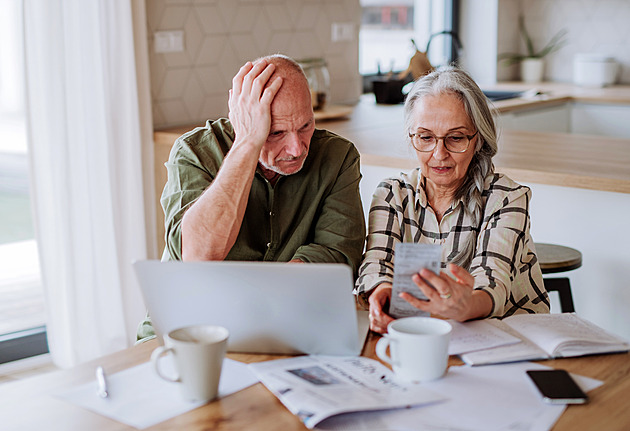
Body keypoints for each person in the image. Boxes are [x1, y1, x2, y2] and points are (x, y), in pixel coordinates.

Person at [137, 54, 365, 341]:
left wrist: (257, 301)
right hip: (186, 331)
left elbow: (339, 257)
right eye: (276, 133)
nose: (296, 149)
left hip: (287, 325)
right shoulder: (194, 152)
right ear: (242, 121)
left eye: (305, 125)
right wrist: (248, 143)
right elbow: (199, 256)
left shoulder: (338, 157)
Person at [355, 66, 549, 334]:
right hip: (424, 334)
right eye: (426, 137)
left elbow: (493, 281)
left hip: (509, 336)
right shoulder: (392, 194)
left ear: (477, 140)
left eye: (456, 138)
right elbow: (377, 262)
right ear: (412, 138)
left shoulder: (506, 198)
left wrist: (466, 305)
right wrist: (382, 292)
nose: (439, 154)